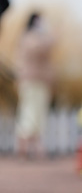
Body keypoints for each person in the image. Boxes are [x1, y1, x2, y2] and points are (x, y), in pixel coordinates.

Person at [15, 12, 55, 159]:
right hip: (33, 80)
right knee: (30, 113)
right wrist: (49, 34)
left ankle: (34, 149)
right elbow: (42, 49)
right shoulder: (31, 37)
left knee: (37, 114)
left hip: (38, 81)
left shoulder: (29, 36)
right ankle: (25, 149)